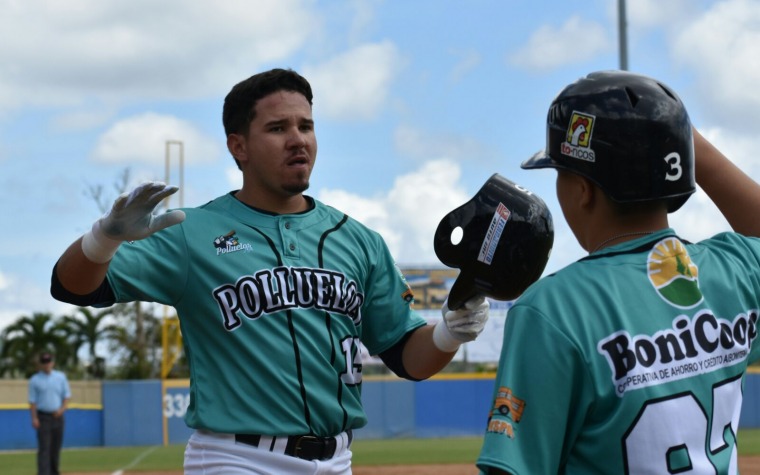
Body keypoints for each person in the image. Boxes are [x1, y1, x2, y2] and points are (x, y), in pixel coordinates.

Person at [50, 67, 489, 474]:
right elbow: (73, 286)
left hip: (336, 460)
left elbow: (406, 356)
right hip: (234, 457)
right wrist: (102, 240)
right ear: (238, 146)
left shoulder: (359, 241)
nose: (297, 139)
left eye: (306, 126)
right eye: (278, 128)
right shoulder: (191, 232)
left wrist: (451, 331)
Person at [476, 70, 760, 474]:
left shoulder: (554, 308)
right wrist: (680, 136)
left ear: (582, 189)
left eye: (561, 173)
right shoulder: (733, 271)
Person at [28, 352, 71, 475]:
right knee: (44, 449)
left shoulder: (61, 377)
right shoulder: (35, 380)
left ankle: (54, 472)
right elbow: (32, 401)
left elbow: (66, 396)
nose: (47, 364)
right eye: (44, 362)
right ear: (41, 364)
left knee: (55, 449)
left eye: (49, 361)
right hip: (43, 417)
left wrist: (62, 409)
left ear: (53, 362)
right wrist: (34, 418)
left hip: (58, 416)